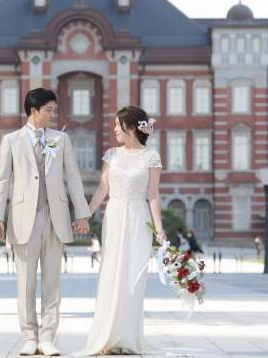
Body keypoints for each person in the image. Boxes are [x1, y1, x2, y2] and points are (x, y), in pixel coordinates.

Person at [0, 88, 91, 357]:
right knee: (25, 284)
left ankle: (47, 338)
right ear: (34, 110)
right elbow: (2, 181)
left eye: (53, 110)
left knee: (52, 283)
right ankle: (28, 337)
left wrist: (81, 213)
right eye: (48, 110)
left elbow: (73, 178)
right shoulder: (11, 141)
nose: (52, 115)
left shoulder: (61, 139)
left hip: (55, 218)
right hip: (23, 219)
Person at [73, 106, 165, 356]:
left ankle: (128, 339)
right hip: (114, 218)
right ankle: (108, 337)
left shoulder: (151, 157)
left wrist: (160, 229)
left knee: (133, 279)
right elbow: (102, 190)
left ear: (132, 128)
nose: (114, 129)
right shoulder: (111, 155)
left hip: (137, 218)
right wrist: (86, 215)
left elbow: (153, 195)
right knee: (112, 275)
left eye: (117, 125)